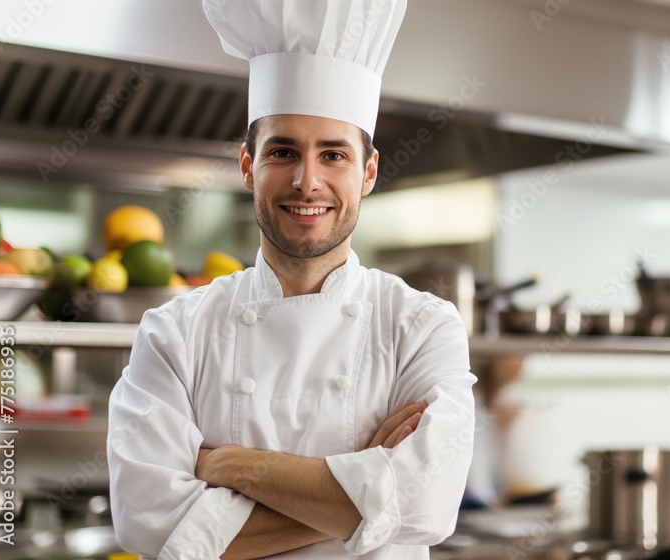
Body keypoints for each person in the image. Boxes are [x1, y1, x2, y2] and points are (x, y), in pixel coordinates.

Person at [106, 1, 477, 558]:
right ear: (248, 165)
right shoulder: (174, 332)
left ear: (368, 172)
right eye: (283, 151)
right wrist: (369, 498)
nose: (308, 181)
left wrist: (234, 466)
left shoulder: (422, 327)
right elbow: (147, 522)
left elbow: (427, 505)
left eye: (334, 155)